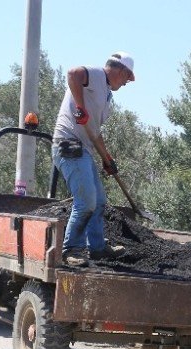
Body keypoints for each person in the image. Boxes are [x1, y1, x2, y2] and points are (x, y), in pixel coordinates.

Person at [51, 51, 136, 266]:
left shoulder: (106, 94)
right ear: (120, 70)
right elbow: (72, 74)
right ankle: (71, 250)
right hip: (68, 143)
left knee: (98, 201)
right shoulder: (97, 75)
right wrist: (79, 107)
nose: (127, 83)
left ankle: (97, 248)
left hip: (84, 149)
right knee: (86, 201)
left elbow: (94, 132)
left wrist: (107, 158)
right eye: (128, 77)